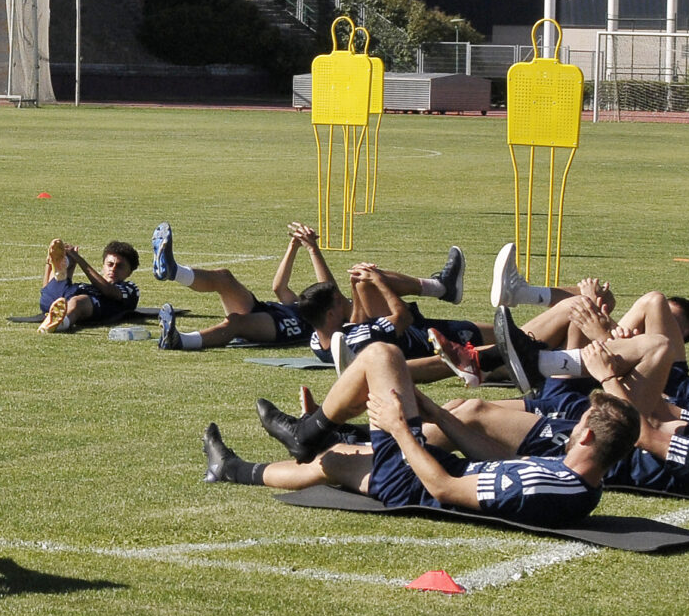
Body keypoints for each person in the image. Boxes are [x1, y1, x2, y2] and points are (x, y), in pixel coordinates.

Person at [206, 341, 641, 527]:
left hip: (418, 484)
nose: (573, 428)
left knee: (381, 355)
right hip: (429, 475)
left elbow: (446, 488)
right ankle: (232, 468)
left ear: (586, 439)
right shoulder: (581, 479)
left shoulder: (547, 481)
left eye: (580, 424)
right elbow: (494, 462)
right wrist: (432, 409)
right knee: (335, 460)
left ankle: (309, 429)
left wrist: (400, 429)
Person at [150, 221, 352, 354]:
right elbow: (279, 288)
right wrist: (293, 247)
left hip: (282, 326)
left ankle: (180, 341)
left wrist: (313, 249)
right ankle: (173, 271)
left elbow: (329, 291)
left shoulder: (342, 315)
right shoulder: (308, 306)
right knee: (224, 277)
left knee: (235, 323)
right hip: (266, 311)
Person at [35, 238, 144, 333]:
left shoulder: (130, 288)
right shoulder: (86, 287)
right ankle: (64, 266)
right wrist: (49, 264)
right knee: (55, 290)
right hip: (57, 301)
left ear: (129, 272)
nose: (113, 269)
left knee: (78, 301)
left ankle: (60, 324)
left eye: (119, 266)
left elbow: (109, 291)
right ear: (103, 266)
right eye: (110, 264)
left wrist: (79, 258)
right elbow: (46, 291)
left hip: (96, 305)